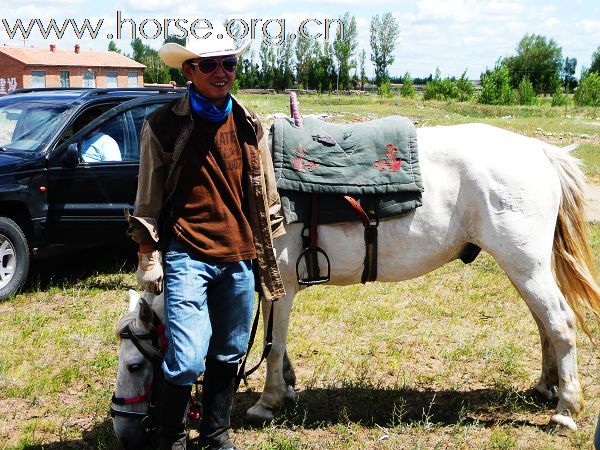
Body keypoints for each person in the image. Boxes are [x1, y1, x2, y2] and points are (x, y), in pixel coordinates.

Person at [126, 30, 286, 450]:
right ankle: (170, 436)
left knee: (230, 352)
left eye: (228, 63)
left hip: (239, 255)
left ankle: (215, 433)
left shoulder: (249, 123)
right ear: (189, 70)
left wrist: (269, 247)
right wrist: (148, 253)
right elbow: (147, 197)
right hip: (187, 253)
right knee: (188, 357)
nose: (221, 73)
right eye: (209, 64)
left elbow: (266, 192)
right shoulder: (162, 124)